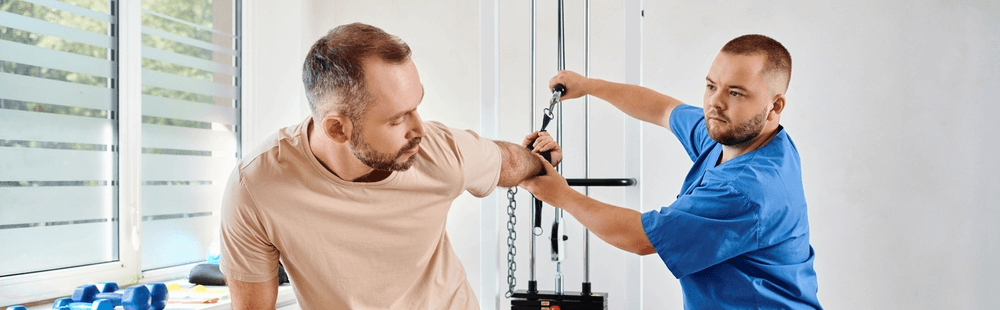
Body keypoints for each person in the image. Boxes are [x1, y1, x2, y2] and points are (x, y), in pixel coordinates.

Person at [219, 23, 561, 309]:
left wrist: (540, 160)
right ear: (337, 128)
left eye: (416, 106)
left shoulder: (438, 151)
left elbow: (509, 162)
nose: (420, 129)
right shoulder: (257, 187)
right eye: (398, 119)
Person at [521, 34, 822, 309]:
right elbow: (663, 109)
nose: (714, 103)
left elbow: (640, 238)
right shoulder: (736, 135)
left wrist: (561, 195)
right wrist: (587, 85)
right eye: (711, 86)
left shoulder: (747, 190)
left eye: (735, 93)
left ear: (775, 106)